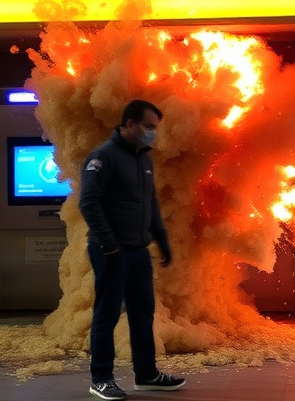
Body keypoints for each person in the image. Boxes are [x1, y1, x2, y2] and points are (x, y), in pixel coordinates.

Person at [79, 99, 186, 401]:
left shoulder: (144, 159)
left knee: (142, 313)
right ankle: (100, 378)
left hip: (138, 251)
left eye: (155, 128)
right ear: (128, 124)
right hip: (111, 251)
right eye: (148, 127)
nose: (153, 133)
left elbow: (150, 204)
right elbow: (89, 202)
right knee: (107, 314)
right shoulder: (103, 157)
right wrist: (109, 243)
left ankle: (146, 374)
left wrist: (161, 238)